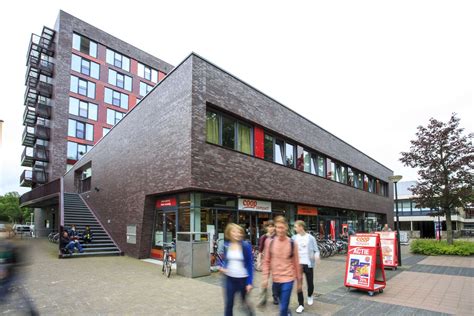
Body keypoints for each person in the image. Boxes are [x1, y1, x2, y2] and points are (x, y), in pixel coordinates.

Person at [262, 216, 302, 316]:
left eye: (281, 227)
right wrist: (265, 278)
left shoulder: (292, 243)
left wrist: (299, 282)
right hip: (275, 280)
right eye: (277, 227)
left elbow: (296, 263)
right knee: (283, 305)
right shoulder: (269, 242)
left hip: (288, 279)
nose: (279, 230)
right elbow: (266, 261)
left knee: (283, 308)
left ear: (286, 227)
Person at [220, 223, 254, 316]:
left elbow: (250, 264)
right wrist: (223, 267)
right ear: (229, 233)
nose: (237, 234)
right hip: (230, 279)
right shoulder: (226, 245)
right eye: (234, 232)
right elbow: (225, 260)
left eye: (239, 232)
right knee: (229, 304)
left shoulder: (245, 246)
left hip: (242, 279)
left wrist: (249, 282)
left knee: (244, 303)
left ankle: (251, 314)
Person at [292, 220, 320, 314]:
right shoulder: (294, 238)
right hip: (298, 264)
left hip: (308, 264)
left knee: (310, 284)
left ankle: (310, 295)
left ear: (301, 227)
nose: (294, 229)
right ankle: (300, 305)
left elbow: (316, 250)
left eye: (296, 227)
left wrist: (316, 256)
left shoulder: (310, 238)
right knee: (299, 286)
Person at [256, 220, 279, 305]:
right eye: (269, 226)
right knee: (264, 280)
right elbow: (260, 250)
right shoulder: (263, 237)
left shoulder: (277, 237)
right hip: (266, 260)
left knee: (275, 280)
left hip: (275, 261)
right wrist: (258, 261)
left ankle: (275, 296)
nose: (271, 228)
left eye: (272, 226)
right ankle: (263, 296)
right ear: (266, 228)